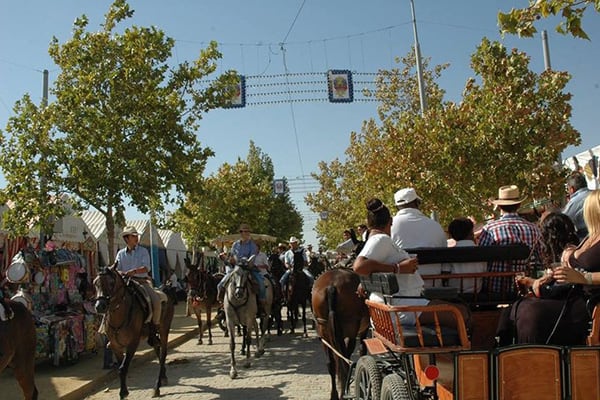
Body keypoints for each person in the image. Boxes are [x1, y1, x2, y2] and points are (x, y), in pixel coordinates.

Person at [353, 198, 469, 327]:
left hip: (401, 304)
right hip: (403, 308)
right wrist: (398, 268)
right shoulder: (381, 239)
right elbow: (359, 267)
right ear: (390, 221)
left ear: (368, 224)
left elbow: (367, 267)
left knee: (454, 308)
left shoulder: (376, 241)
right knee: (462, 313)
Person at [496, 198, 597, 346]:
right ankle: (507, 355)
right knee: (518, 308)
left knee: (529, 311)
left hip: (587, 301)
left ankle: (531, 356)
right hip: (576, 295)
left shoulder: (580, 244)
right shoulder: (589, 238)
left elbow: (577, 276)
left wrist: (584, 278)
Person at [478, 185, 543, 293]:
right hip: (524, 288)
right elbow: (540, 258)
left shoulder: (489, 229)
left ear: (499, 206)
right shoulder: (534, 229)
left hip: (494, 289)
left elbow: (481, 259)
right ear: (519, 205)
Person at [115, 225, 164, 346]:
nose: (136, 238)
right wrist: (121, 273)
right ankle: (109, 333)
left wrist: (134, 272)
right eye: (133, 236)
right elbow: (116, 268)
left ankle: (154, 329)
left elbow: (147, 267)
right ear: (127, 238)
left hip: (141, 282)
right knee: (111, 303)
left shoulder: (143, 251)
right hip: (126, 283)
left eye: (136, 235)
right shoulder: (120, 254)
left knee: (156, 301)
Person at [390, 187, 447, 280]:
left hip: (402, 288)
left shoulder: (389, 226)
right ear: (417, 203)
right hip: (434, 286)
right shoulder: (436, 226)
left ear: (397, 207)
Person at [217, 224, 267, 315]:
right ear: (241, 233)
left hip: (249, 267)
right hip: (236, 268)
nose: (246, 233)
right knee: (220, 285)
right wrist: (227, 258)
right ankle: (222, 306)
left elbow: (253, 256)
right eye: (244, 231)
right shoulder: (235, 244)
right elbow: (232, 255)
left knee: (261, 284)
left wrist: (248, 261)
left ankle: (261, 307)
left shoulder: (253, 245)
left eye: (248, 231)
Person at [445, 217, 487, 294]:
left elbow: (445, 273)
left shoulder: (449, 253)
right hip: (476, 291)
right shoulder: (482, 252)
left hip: (455, 293)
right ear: (471, 233)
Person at [563, 171, 590, 241]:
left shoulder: (573, 203)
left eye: (568, 189)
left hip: (587, 237)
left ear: (572, 189)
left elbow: (563, 221)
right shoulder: (596, 194)